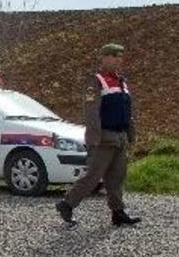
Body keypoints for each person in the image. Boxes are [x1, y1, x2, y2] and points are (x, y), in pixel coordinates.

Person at [55, 43, 142, 227]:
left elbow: (127, 111)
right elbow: (92, 112)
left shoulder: (121, 81)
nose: (119, 59)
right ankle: (67, 204)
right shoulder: (96, 81)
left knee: (117, 177)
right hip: (103, 137)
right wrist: (95, 138)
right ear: (104, 58)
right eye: (115, 56)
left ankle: (118, 213)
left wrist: (131, 134)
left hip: (120, 137)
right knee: (93, 176)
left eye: (120, 56)